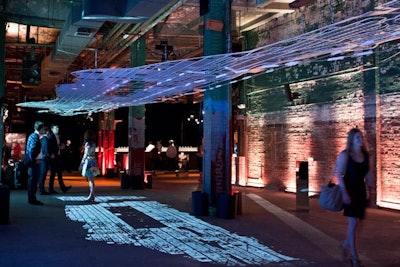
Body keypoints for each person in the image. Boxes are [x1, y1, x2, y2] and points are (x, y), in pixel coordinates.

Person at [336, 128, 373, 267]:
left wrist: (371, 191)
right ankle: (354, 257)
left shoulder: (365, 155)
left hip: (361, 192)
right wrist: (344, 193)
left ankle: (345, 245)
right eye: (357, 137)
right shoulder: (345, 155)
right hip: (349, 191)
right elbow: (339, 174)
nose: (360, 139)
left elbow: (368, 174)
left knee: (359, 223)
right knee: (353, 223)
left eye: (361, 136)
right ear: (351, 139)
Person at [24, 121, 45, 205]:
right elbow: (32, 150)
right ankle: (32, 199)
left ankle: (32, 198)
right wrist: (34, 160)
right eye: (43, 128)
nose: (43, 130)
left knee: (32, 181)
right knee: (33, 181)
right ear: (40, 128)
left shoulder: (33, 136)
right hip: (34, 163)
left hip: (33, 162)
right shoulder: (35, 137)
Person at [47, 124, 71, 194]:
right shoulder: (50, 137)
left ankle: (62, 188)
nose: (57, 129)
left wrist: (63, 146)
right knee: (53, 174)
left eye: (58, 127)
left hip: (58, 156)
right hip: (53, 157)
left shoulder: (59, 136)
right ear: (52, 129)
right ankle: (51, 189)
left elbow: (61, 145)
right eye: (56, 128)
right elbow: (49, 147)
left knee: (59, 173)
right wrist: (51, 153)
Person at [79, 129, 100, 202]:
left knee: (90, 179)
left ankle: (92, 195)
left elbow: (85, 154)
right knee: (91, 179)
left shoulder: (87, 144)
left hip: (88, 161)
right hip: (93, 161)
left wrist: (81, 163)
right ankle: (92, 195)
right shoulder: (93, 143)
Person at [38, 126, 50, 195]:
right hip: (44, 159)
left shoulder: (41, 139)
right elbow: (46, 150)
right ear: (47, 132)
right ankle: (42, 190)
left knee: (41, 174)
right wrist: (48, 155)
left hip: (41, 158)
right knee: (43, 174)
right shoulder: (45, 139)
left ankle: (41, 189)